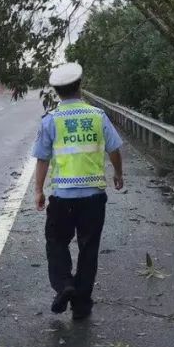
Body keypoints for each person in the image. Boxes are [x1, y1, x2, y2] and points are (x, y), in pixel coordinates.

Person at [32, 62, 124, 320]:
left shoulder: (51, 120)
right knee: (89, 249)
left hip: (62, 197)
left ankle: (64, 285)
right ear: (80, 86)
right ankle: (81, 305)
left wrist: (38, 190)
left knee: (56, 242)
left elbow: (42, 159)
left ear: (56, 92)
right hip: (94, 198)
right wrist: (118, 174)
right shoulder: (97, 116)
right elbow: (114, 149)